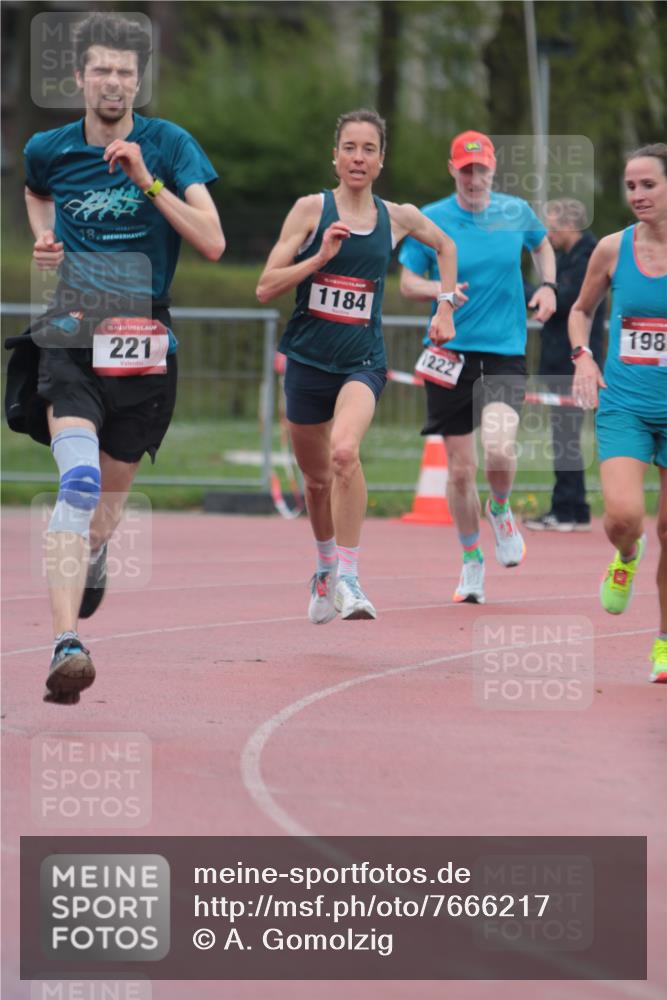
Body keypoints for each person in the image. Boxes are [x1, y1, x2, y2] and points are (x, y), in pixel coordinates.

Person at [6, 13, 225, 703]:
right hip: (72, 332)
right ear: (79, 78)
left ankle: (93, 553)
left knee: (105, 506)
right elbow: (35, 192)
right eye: (101, 70)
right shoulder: (49, 147)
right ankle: (66, 643)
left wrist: (149, 181)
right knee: (77, 485)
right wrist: (46, 237)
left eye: (126, 72)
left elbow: (214, 242)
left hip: (143, 340)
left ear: (139, 80)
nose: (114, 82)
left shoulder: (169, 144)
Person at [256, 109, 457, 623]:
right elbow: (265, 287)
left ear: (381, 160)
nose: (358, 158)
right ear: (335, 155)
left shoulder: (398, 217)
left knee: (345, 453)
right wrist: (318, 258)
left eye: (369, 149)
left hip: (361, 364)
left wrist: (445, 307)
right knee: (317, 480)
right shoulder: (310, 210)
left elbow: (446, 245)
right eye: (349, 147)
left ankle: (348, 576)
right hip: (305, 361)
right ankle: (324, 568)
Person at [399, 130, 556, 604]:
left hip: (504, 350)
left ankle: (502, 509)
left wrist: (547, 285)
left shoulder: (514, 212)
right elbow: (408, 282)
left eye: (480, 169)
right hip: (449, 355)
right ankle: (471, 562)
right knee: (461, 471)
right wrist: (440, 293)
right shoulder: (431, 219)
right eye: (465, 169)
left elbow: (542, 245)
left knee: (501, 448)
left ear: (492, 169)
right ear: (452, 170)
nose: (473, 178)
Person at [569, 143, 667, 684]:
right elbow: (581, 311)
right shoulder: (612, 248)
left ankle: (664, 644)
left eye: (648, 185)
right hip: (625, 404)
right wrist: (583, 357)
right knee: (625, 515)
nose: (637, 195)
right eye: (631, 186)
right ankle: (626, 554)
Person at [523, 198, 606, 532]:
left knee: (567, 436)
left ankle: (568, 509)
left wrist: (517, 287)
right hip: (560, 359)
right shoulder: (567, 259)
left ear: (570, 224)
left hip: (575, 361)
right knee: (563, 435)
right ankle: (573, 507)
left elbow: (566, 299)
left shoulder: (588, 258)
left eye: (552, 224)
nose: (548, 232)